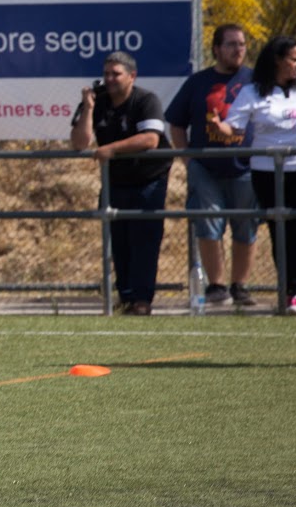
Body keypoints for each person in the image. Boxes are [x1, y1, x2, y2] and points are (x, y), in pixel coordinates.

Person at [213, 36, 296, 316]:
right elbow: (234, 128)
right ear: (277, 61)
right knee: (278, 230)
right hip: (267, 172)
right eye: (293, 59)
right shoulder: (253, 92)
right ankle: (286, 289)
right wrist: (221, 128)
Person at [71, 52, 172, 316]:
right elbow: (79, 142)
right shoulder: (98, 100)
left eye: (115, 74)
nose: (109, 79)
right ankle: (126, 298)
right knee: (119, 241)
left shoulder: (146, 100)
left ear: (131, 76)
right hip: (116, 181)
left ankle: (142, 300)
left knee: (144, 240)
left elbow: (150, 139)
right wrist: (88, 108)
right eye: (106, 73)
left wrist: (112, 149)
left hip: (148, 179)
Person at [165, 24, 258, 308]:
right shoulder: (198, 82)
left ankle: (240, 286)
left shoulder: (256, 81)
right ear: (216, 49)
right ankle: (216, 286)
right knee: (208, 224)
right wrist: (188, 159)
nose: (238, 50)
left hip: (246, 168)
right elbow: (176, 123)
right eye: (231, 44)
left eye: (241, 44)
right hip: (205, 169)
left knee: (246, 226)